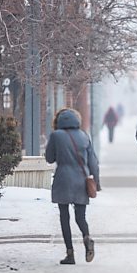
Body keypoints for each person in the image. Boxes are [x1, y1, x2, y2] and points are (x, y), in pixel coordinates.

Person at [45, 108, 100, 264]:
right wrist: (96, 182)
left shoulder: (56, 136)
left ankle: (70, 254)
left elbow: (49, 158)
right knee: (80, 216)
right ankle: (87, 237)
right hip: (81, 180)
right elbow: (93, 162)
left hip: (63, 179)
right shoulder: (84, 136)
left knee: (64, 217)